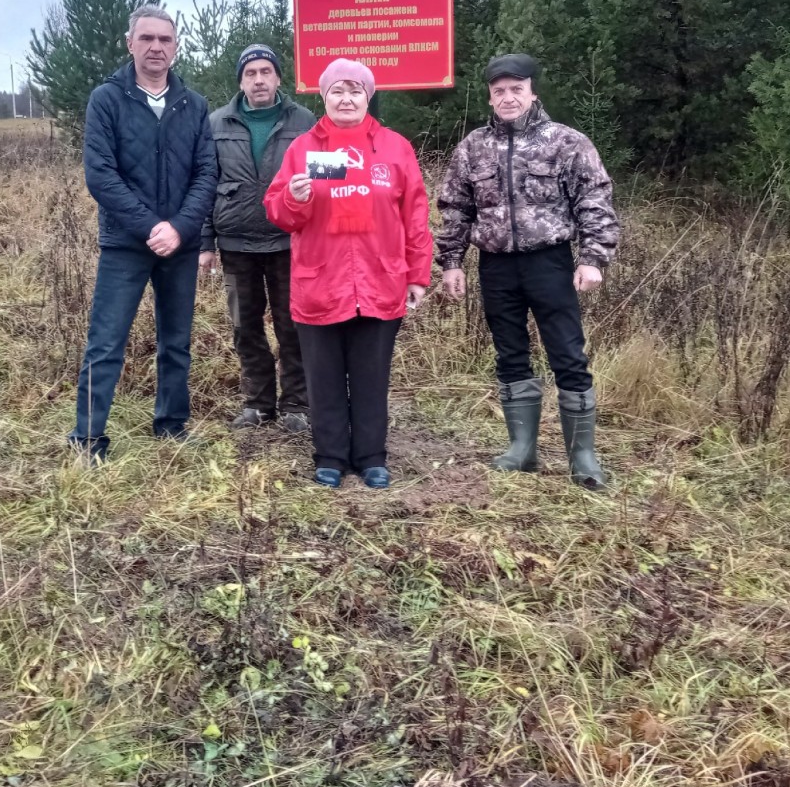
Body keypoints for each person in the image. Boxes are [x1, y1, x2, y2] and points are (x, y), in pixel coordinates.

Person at [437, 53, 620, 490]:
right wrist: (451, 262)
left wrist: (593, 258)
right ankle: (523, 450)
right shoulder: (473, 147)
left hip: (550, 262)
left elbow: (595, 200)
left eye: (516, 89)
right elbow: (455, 209)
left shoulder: (567, 142)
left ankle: (583, 457)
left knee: (568, 356)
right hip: (496, 265)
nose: (507, 97)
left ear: (532, 91)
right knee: (510, 354)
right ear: (489, 96)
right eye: (499, 91)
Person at [263, 58, 433, 489]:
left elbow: (415, 215)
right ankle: (331, 456)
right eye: (337, 90)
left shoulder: (395, 147)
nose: (346, 98)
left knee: (371, 375)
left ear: (368, 96)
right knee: (323, 378)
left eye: (355, 90)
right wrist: (296, 199)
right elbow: (278, 212)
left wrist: (417, 274)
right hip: (320, 283)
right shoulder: (303, 148)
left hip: (381, 280)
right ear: (323, 97)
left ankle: (372, 456)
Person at [69, 4, 218, 461]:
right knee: (106, 341)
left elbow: (206, 173)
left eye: (165, 40)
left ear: (175, 47)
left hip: (181, 243)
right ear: (130, 42)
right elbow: (101, 174)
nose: (157, 47)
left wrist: (178, 228)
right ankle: (88, 439)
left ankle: (171, 425)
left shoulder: (193, 105)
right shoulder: (107, 99)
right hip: (126, 244)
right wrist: (152, 226)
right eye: (148, 38)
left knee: (177, 341)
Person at [199, 44, 316, 433]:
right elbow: (203, 185)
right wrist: (205, 244)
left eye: (266, 71)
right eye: (251, 73)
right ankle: (258, 403)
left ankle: (297, 404)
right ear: (241, 80)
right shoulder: (216, 123)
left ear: (279, 77)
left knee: (292, 326)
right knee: (245, 326)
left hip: (289, 243)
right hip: (236, 245)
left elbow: (318, 185)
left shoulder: (303, 121)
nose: (259, 79)